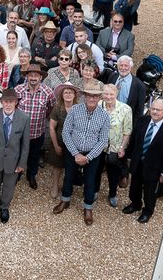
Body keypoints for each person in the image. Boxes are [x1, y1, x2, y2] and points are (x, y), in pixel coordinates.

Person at [55, 83, 110, 226]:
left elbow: (103, 140)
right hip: (73, 151)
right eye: (89, 95)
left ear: (99, 98)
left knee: (90, 180)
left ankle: (88, 208)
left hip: (92, 154)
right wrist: (75, 154)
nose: (92, 98)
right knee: (69, 177)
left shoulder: (104, 116)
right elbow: (66, 132)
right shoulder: (74, 110)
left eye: (95, 96)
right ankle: (65, 200)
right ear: (84, 96)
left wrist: (88, 157)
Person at [123, 99, 163, 223]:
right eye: (152, 108)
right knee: (134, 186)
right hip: (138, 162)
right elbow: (133, 141)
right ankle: (135, 203)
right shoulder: (142, 121)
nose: (154, 111)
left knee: (150, 191)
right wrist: (129, 157)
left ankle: (148, 211)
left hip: (154, 167)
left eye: (158, 110)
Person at [0, 88, 30, 223]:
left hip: (13, 160)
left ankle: (4, 207)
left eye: (11, 102)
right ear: (1, 102)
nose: (8, 104)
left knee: (9, 185)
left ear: (16, 103)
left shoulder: (24, 118)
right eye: (5, 101)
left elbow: (25, 145)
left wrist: (22, 164)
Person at [15, 64, 55, 189]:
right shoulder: (18, 90)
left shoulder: (48, 91)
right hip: (19, 132)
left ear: (40, 77)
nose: (33, 78)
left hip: (37, 132)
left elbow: (52, 107)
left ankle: (31, 175)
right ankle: (17, 173)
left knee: (34, 155)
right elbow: (12, 107)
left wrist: (43, 116)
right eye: (30, 75)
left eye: (36, 75)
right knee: (18, 153)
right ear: (26, 76)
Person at [99, 84, 132, 208]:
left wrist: (122, 147)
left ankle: (112, 194)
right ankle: (95, 191)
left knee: (113, 171)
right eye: (106, 94)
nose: (108, 96)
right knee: (96, 170)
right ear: (102, 94)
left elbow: (127, 131)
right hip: (98, 146)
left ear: (116, 94)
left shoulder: (125, 109)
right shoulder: (98, 106)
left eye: (111, 94)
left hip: (115, 147)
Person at [47, 83, 80, 199]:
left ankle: (68, 186)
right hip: (60, 141)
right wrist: (56, 145)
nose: (68, 94)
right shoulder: (57, 108)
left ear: (75, 94)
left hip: (75, 143)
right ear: (62, 94)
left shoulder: (79, 108)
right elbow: (51, 127)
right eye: (66, 92)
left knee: (71, 166)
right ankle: (55, 186)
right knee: (57, 165)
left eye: (70, 92)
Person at [107, 55, 147, 127]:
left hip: (124, 122)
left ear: (131, 67)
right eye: (121, 65)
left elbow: (139, 111)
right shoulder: (112, 76)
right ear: (117, 66)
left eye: (126, 66)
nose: (123, 68)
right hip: (108, 115)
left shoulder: (139, 86)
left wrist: (132, 128)